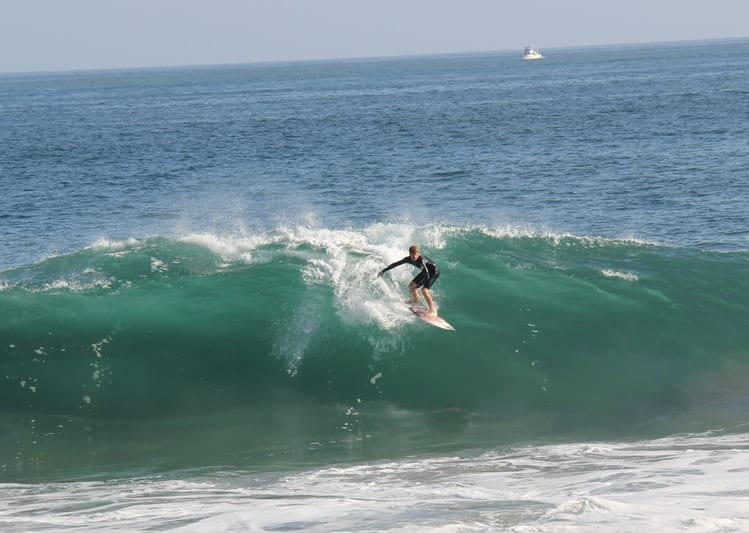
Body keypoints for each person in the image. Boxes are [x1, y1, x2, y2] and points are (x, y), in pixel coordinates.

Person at [378, 245, 440, 316]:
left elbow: (427, 273)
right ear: (409, 254)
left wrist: (422, 286)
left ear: (418, 254)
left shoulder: (421, 260)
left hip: (433, 272)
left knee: (424, 291)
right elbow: (396, 264)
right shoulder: (408, 259)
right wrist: (383, 271)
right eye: (412, 256)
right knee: (411, 286)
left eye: (415, 255)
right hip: (425, 272)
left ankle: (433, 311)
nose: (414, 257)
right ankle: (415, 301)